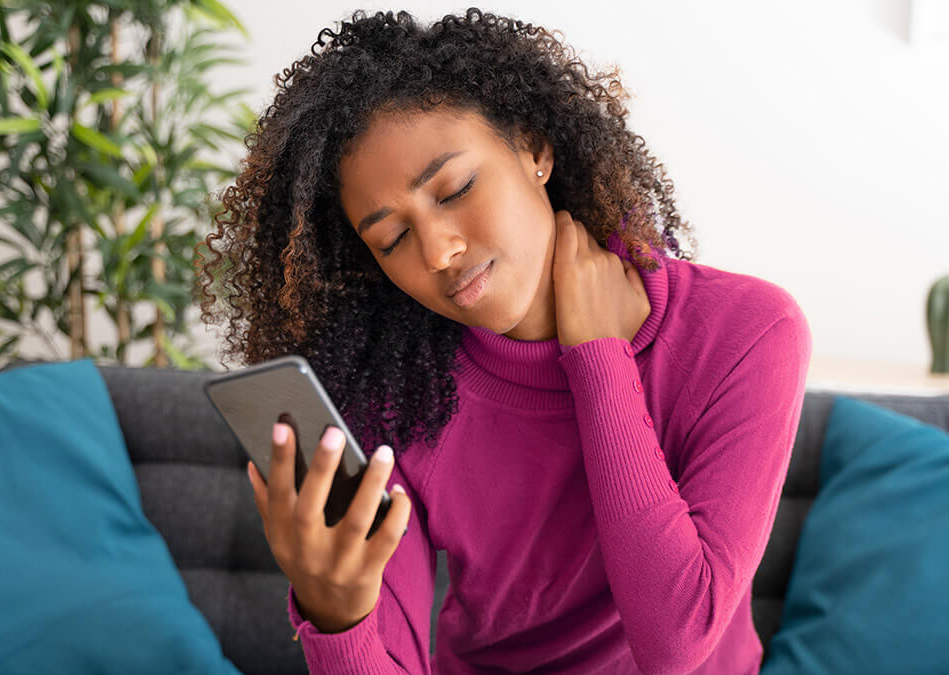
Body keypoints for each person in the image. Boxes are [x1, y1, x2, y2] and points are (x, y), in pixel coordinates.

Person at [196, 7, 812, 674]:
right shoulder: (399, 391)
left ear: (534, 148)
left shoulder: (748, 333)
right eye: (391, 238)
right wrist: (334, 613)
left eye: (455, 188)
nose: (437, 251)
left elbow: (676, 640)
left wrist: (598, 359)